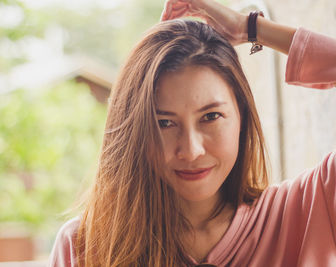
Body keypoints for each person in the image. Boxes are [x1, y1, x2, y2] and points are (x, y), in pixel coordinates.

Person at [48, 0, 336, 266]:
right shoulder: (85, 246)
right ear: (136, 132)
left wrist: (250, 28)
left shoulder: (309, 208)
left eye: (211, 117)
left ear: (242, 116)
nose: (191, 150)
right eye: (164, 123)